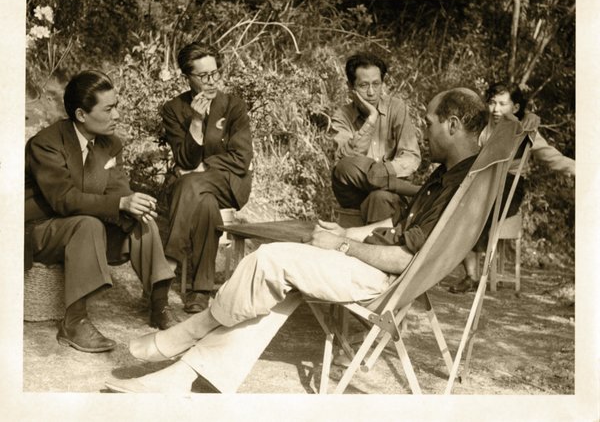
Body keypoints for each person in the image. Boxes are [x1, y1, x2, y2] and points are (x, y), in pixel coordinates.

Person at [105, 87, 488, 393]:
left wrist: (342, 246)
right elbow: (403, 228)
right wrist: (346, 232)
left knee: (268, 260)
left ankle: (190, 330)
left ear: (452, 125)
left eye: (430, 123)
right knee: (271, 290)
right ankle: (182, 376)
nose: (424, 131)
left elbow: (406, 259)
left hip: (385, 279)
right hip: (378, 262)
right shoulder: (459, 174)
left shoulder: (460, 186)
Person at [25, 70, 178, 353]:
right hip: (41, 230)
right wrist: (119, 204)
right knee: (88, 225)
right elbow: (63, 200)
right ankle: (74, 323)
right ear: (81, 114)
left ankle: (160, 307)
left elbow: (117, 191)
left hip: (84, 228)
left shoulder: (110, 143)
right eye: (109, 109)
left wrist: (131, 203)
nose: (117, 115)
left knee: (142, 222)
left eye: (116, 106)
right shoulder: (45, 144)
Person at [449, 82, 576, 293]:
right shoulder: (482, 125)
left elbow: (551, 157)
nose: (496, 109)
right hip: (481, 180)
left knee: (480, 210)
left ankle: (475, 271)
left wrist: (581, 169)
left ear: (515, 107)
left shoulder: (525, 130)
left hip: (509, 185)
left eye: (502, 104)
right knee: (458, 204)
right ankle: (470, 275)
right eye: (492, 103)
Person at [161, 42, 253, 313]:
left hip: (230, 183)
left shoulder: (234, 106)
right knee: (203, 203)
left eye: (215, 73)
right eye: (203, 76)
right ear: (187, 77)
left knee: (190, 182)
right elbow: (184, 160)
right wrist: (196, 123)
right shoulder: (174, 109)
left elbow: (241, 159)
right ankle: (200, 290)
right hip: (198, 189)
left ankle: (168, 265)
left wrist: (203, 167)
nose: (212, 81)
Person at [331, 52, 421, 224]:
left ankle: (372, 245)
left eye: (376, 84)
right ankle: (417, 191)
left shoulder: (396, 108)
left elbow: (411, 156)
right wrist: (371, 119)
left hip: (391, 194)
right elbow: (346, 161)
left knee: (380, 196)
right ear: (350, 87)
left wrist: (383, 172)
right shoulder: (342, 115)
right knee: (344, 166)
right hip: (356, 194)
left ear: (382, 84)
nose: (371, 93)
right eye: (364, 85)